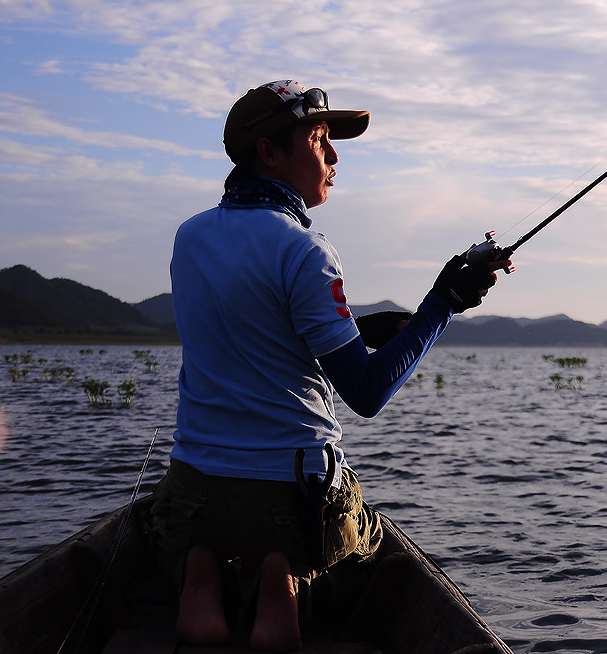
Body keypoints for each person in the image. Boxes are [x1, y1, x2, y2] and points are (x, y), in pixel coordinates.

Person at [146, 80, 510, 651]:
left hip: (198, 494)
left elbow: (253, 337)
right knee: (364, 546)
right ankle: (285, 586)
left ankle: (200, 573)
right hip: (290, 502)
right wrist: (442, 304)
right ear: (269, 153)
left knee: (188, 533)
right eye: (320, 141)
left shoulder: (188, 238)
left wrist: (357, 330)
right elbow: (364, 391)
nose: (335, 158)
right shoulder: (304, 250)